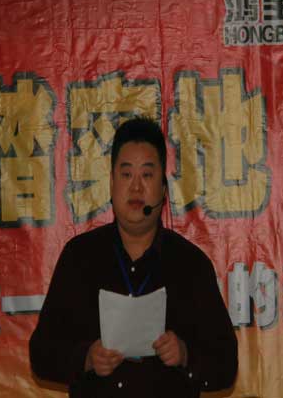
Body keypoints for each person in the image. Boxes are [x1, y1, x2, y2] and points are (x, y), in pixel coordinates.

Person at [29, 117, 238, 397]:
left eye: (147, 175)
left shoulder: (190, 264)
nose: (136, 187)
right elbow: (41, 354)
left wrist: (186, 354)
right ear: (112, 183)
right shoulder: (79, 258)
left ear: (163, 188)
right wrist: (86, 358)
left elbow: (226, 364)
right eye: (126, 174)